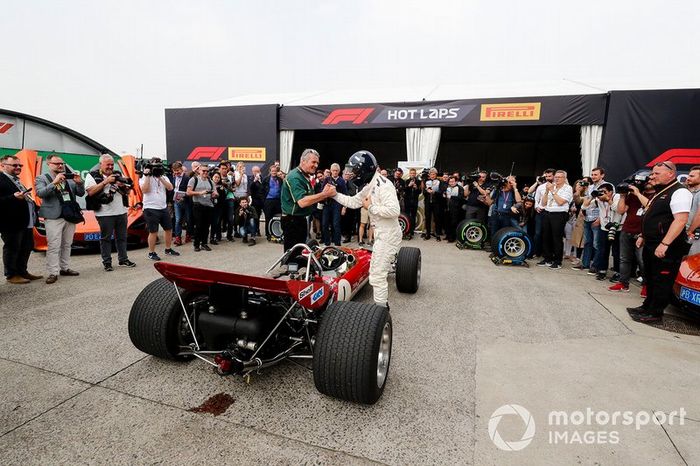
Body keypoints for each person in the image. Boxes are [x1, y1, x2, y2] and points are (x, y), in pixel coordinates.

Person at [333, 150, 401, 309]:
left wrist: (370, 207)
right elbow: (353, 202)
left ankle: (381, 312)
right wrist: (334, 194)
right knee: (376, 272)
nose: (351, 173)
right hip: (381, 234)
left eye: (354, 170)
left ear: (363, 169)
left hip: (388, 236)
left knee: (377, 276)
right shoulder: (368, 185)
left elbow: (394, 211)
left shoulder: (384, 185)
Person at [627, 161, 692, 323]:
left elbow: (681, 220)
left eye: (657, 174)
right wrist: (643, 235)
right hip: (651, 242)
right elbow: (651, 214)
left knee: (662, 279)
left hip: (667, 246)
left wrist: (665, 244)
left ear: (671, 174)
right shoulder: (661, 191)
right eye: (653, 173)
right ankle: (647, 306)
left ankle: (655, 313)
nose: (652, 176)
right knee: (649, 275)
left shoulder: (680, 192)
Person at [36, 154, 85, 284]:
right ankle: (53, 272)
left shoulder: (69, 179)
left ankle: (65, 268)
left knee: (67, 244)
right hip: (53, 216)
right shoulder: (42, 178)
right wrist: (54, 182)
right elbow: (40, 193)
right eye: (57, 163)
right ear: (49, 164)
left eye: (61, 163)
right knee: (53, 245)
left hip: (69, 215)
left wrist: (80, 183)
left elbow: (80, 193)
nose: (60, 165)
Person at [84, 154, 136, 271]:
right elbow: (90, 192)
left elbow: (127, 192)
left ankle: (123, 259)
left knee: (122, 237)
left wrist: (124, 186)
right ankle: (107, 262)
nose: (110, 167)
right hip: (104, 213)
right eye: (108, 164)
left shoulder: (118, 174)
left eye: (112, 164)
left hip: (121, 211)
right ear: (101, 164)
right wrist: (106, 181)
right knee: (106, 238)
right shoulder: (92, 175)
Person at [280, 149, 336, 251]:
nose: (316, 165)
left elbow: (310, 197)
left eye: (317, 163)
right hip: (292, 221)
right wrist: (325, 194)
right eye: (313, 162)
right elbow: (303, 202)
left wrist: (323, 192)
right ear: (303, 161)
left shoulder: (304, 176)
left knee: (300, 252)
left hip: (299, 219)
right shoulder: (294, 177)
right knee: (292, 256)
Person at [0, 155, 41, 284]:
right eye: (15, 165)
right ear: (3, 165)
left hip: (25, 222)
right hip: (10, 222)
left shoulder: (16, 180)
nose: (18, 167)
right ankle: (11, 275)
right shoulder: (1, 179)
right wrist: (13, 197)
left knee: (26, 247)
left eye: (20, 165)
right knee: (12, 248)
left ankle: (22, 271)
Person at [609, 174, 652, 294]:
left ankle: (646, 286)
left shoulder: (654, 194)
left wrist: (638, 193)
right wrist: (623, 195)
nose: (637, 184)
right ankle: (623, 283)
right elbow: (621, 210)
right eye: (635, 182)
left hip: (642, 232)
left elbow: (649, 206)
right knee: (624, 259)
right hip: (627, 229)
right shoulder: (631, 196)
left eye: (640, 182)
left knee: (642, 260)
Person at [139, 157, 179, 261]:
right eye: (155, 166)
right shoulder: (144, 176)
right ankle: (151, 253)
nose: (157, 168)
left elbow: (170, 188)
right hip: (150, 207)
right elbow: (144, 190)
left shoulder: (164, 176)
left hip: (163, 207)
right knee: (153, 231)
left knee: (169, 229)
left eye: (159, 166)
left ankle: (168, 249)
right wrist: (148, 175)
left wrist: (160, 176)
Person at [582, 183, 621, 280]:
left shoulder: (617, 197)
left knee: (617, 251)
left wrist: (608, 200)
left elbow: (618, 209)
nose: (601, 194)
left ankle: (617, 272)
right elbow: (584, 207)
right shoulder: (598, 199)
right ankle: (602, 270)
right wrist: (592, 196)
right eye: (600, 192)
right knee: (603, 250)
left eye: (604, 192)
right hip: (604, 228)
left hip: (617, 227)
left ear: (611, 192)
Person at [538, 170, 573, 269]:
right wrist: (547, 191)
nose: (556, 179)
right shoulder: (551, 187)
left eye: (559, 177)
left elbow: (560, 202)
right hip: (547, 212)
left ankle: (557, 261)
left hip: (559, 214)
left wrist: (553, 191)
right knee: (546, 237)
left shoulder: (568, 188)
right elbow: (544, 203)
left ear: (564, 178)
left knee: (556, 238)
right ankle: (547, 258)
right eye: (556, 177)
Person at [575, 167, 608, 274]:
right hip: (587, 217)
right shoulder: (590, 187)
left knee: (597, 244)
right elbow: (586, 201)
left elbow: (607, 204)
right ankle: (585, 264)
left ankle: (596, 266)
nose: (593, 176)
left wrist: (600, 218)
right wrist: (583, 211)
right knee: (588, 243)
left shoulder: (607, 186)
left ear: (602, 175)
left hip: (598, 219)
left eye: (596, 174)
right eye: (592, 174)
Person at [186, 164, 218, 251]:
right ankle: (196, 244)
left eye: (207, 171)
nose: (205, 172)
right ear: (199, 171)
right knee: (199, 225)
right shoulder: (194, 180)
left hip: (209, 206)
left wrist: (215, 194)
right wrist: (200, 193)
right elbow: (188, 192)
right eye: (203, 171)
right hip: (198, 205)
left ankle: (204, 243)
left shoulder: (211, 181)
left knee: (206, 226)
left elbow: (216, 192)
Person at [530, 168, 556, 257]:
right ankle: (536, 252)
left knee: (549, 234)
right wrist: (536, 207)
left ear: (554, 176)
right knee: (538, 233)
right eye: (547, 176)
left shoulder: (558, 186)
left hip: (552, 212)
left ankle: (548, 253)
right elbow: (536, 199)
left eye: (550, 176)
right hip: (541, 212)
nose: (548, 178)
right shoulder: (541, 187)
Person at [321, 163, 347, 246]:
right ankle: (327, 243)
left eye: (336, 171)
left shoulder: (341, 181)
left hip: (337, 204)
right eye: (333, 170)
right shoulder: (327, 179)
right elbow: (322, 191)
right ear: (331, 171)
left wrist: (344, 207)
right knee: (324, 223)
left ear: (339, 171)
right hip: (327, 204)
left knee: (336, 224)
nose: (335, 172)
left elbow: (345, 194)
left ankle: (337, 243)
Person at [168, 161, 190, 246]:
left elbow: (189, 190)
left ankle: (188, 235)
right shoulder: (173, 178)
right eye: (175, 171)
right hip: (176, 202)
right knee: (178, 220)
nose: (176, 172)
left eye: (178, 170)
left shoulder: (187, 178)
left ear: (181, 169)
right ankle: (178, 238)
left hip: (187, 202)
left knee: (188, 219)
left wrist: (183, 196)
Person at [262, 164, 282, 241]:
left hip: (278, 201)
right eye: (272, 171)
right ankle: (268, 235)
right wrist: (263, 201)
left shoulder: (280, 180)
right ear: (270, 171)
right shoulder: (266, 179)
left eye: (275, 171)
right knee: (268, 218)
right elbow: (262, 191)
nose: (274, 172)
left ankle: (278, 234)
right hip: (268, 201)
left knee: (279, 218)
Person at [422, 168, 442, 241]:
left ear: (436, 175)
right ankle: (428, 234)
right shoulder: (426, 181)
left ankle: (437, 234)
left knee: (437, 219)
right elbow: (423, 192)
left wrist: (434, 192)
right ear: (429, 175)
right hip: (428, 203)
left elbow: (441, 192)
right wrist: (427, 191)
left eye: (434, 174)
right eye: (431, 174)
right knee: (428, 218)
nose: (432, 175)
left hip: (436, 203)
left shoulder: (439, 182)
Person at [684, 166, 700, 256]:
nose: (688, 178)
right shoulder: (693, 193)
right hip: (691, 232)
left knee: (692, 262)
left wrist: (689, 231)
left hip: (696, 233)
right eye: (689, 176)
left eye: (692, 176)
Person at [444, 176, 464, 242]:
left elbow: (461, 198)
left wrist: (451, 197)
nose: (451, 183)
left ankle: (452, 237)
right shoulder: (447, 187)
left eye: (453, 181)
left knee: (454, 223)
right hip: (447, 208)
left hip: (455, 209)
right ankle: (447, 235)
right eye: (450, 181)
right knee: (447, 223)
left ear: (456, 181)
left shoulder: (460, 188)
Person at [403, 168, 421, 239]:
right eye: (411, 173)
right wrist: (409, 186)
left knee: (413, 216)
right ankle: (407, 230)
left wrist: (416, 188)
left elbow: (420, 192)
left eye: (414, 173)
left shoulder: (418, 181)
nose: (412, 174)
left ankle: (412, 231)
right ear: (409, 174)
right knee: (407, 215)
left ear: (415, 174)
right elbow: (404, 191)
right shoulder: (406, 181)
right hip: (407, 201)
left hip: (415, 201)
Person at [249, 165, 265, 236]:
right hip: (255, 201)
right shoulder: (251, 179)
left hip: (263, 201)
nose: (256, 173)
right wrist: (255, 180)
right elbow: (250, 188)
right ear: (252, 172)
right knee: (256, 216)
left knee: (262, 216)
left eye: (258, 171)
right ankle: (256, 230)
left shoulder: (263, 178)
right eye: (255, 171)